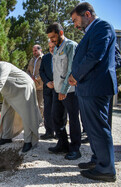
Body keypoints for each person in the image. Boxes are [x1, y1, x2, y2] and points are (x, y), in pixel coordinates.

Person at [69, 2, 117, 182]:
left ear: (87, 14)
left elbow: (95, 55)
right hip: (88, 86)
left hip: (96, 86)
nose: (74, 24)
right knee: (91, 128)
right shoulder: (91, 31)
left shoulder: (102, 26)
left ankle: (106, 169)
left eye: (75, 20)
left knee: (98, 128)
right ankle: (98, 161)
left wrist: (75, 75)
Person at [0, 56, 42, 153]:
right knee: (6, 113)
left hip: (24, 88)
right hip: (10, 92)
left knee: (27, 115)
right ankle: (6, 137)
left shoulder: (3, 66)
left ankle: (29, 141)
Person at [46, 23, 81, 160]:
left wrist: (64, 89)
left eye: (53, 37)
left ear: (61, 32)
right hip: (57, 89)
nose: (51, 41)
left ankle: (75, 149)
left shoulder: (71, 46)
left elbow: (71, 69)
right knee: (56, 117)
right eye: (49, 38)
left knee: (73, 119)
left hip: (69, 91)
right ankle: (62, 144)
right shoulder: (55, 49)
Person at [39, 41, 64, 140]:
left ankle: (59, 134)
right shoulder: (45, 58)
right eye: (50, 47)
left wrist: (57, 82)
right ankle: (49, 132)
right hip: (48, 88)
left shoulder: (62, 56)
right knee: (47, 111)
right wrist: (47, 82)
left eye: (53, 47)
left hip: (59, 88)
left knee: (59, 111)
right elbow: (41, 71)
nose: (52, 49)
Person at [26, 45, 44, 115]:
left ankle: (41, 120)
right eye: (33, 51)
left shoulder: (44, 59)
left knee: (40, 105)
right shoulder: (32, 60)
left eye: (36, 50)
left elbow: (45, 72)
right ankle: (34, 120)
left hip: (40, 86)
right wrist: (30, 77)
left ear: (40, 50)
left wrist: (36, 78)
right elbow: (28, 70)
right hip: (31, 86)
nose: (34, 52)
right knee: (32, 104)